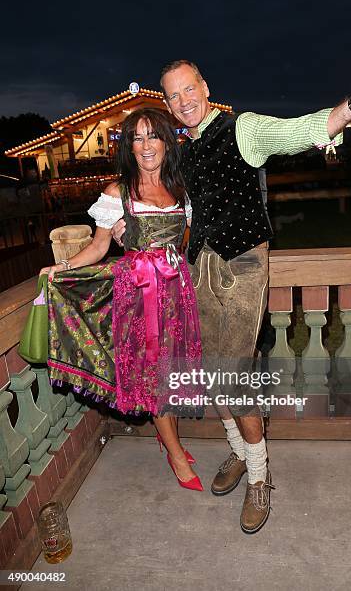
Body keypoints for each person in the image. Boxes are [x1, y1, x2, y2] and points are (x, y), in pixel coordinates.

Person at [111, 47, 351, 533]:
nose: (183, 100)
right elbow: (165, 210)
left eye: (189, 89)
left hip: (242, 266)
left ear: (206, 88)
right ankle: (238, 453)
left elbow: (299, 131)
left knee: (233, 377)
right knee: (208, 370)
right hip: (201, 268)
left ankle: (260, 476)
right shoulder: (181, 151)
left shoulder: (244, 128)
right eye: (174, 96)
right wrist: (121, 232)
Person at [40, 108, 204, 492]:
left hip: (176, 294)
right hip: (139, 296)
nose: (147, 146)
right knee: (154, 375)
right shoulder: (119, 192)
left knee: (172, 371)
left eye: (154, 136)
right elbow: (98, 248)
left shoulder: (181, 188)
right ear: (129, 146)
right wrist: (60, 268)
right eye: (138, 138)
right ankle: (177, 455)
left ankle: (169, 439)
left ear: (167, 140)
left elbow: (184, 243)